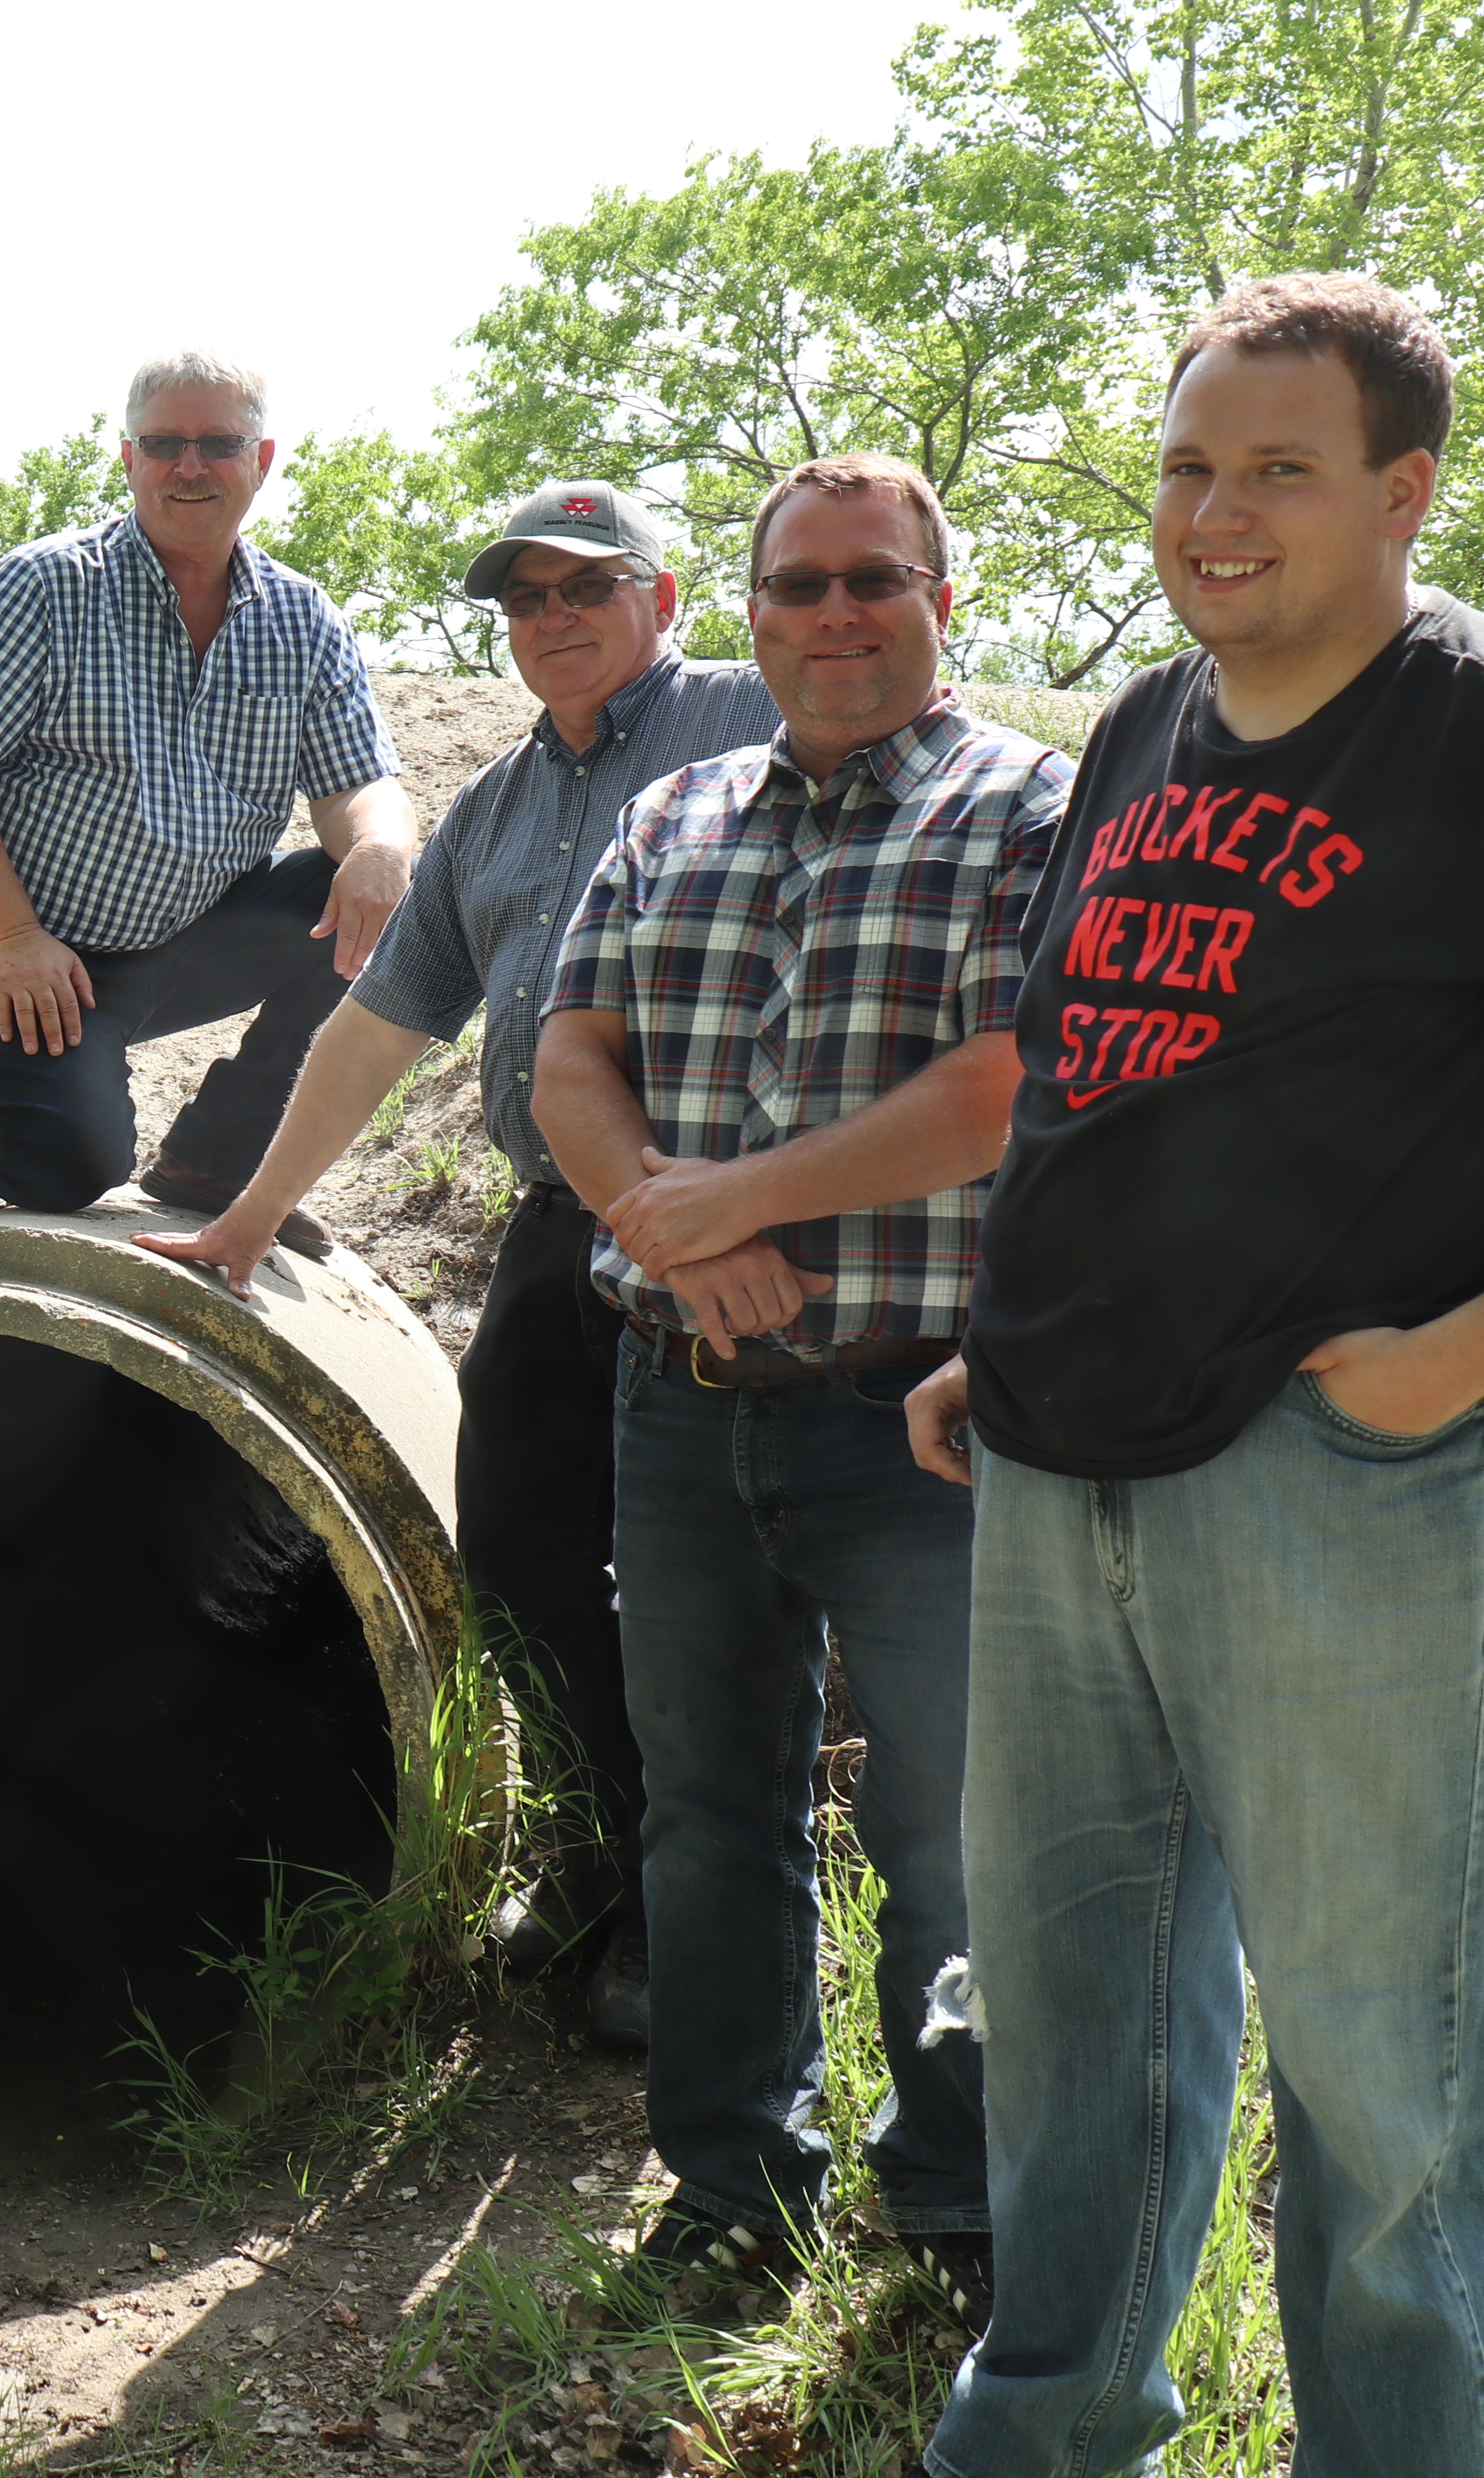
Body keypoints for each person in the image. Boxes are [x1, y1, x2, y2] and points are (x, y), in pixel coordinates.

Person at [908, 276, 1483, 2478]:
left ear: (1401, 491)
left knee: (1388, 2071)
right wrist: (1000, 1334)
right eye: (1184, 463)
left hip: (1341, 1480)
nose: (1212, 510)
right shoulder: (1148, 724)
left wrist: (1452, 1362)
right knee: (1078, 2037)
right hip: (1060, 1470)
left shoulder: (1460, 724)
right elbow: (1093, 1072)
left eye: (1277, 468)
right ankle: (1045, 2440)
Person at [136, 481, 780, 2049]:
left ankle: (694, 1934)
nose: (551, 617)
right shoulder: (496, 804)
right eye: (523, 597)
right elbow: (375, 1026)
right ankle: (595, 1857)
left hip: (731, 1236)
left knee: (705, 1593)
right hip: (559, 1233)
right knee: (517, 1550)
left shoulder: (751, 714)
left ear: (666, 595)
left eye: (586, 586)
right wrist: (241, 1216)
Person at [530, 452, 1067, 2327]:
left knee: (948, 1829)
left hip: (914, 1415)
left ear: (941, 599)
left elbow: (1006, 1080)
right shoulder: (674, 807)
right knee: (708, 1813)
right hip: (681, 1402)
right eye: (800, 585)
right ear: (745, 616)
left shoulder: (1030, 807)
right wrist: (663, 1229)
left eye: (872, 580)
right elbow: (570, 1057)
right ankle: (733, 2186)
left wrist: (732, 1201)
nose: (835, 613)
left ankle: (954, 2200)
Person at [0, 348, 415, 1225]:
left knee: (390, 893)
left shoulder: (302, 617)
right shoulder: (47, 586)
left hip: (179, 939)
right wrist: (14, 936)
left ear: (263, 459)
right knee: (69, 1169)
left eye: (218, 443)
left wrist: (378, 847)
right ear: (128, 458)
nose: (190, 465)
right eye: (165, 442)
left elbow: (359, 782)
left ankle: (216, 1166)